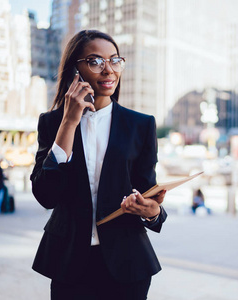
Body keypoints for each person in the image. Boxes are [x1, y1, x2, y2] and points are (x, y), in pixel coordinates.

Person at [30, 30, 167, 300]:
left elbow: (147, 192)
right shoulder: (51, 123)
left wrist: (152, 211)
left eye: (115, 60)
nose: (109, 70)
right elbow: (45, 196)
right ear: (75, 69)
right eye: (95, 61)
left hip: (128, 264)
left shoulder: (140, 125)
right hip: (68, 261)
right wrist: (69, 122)